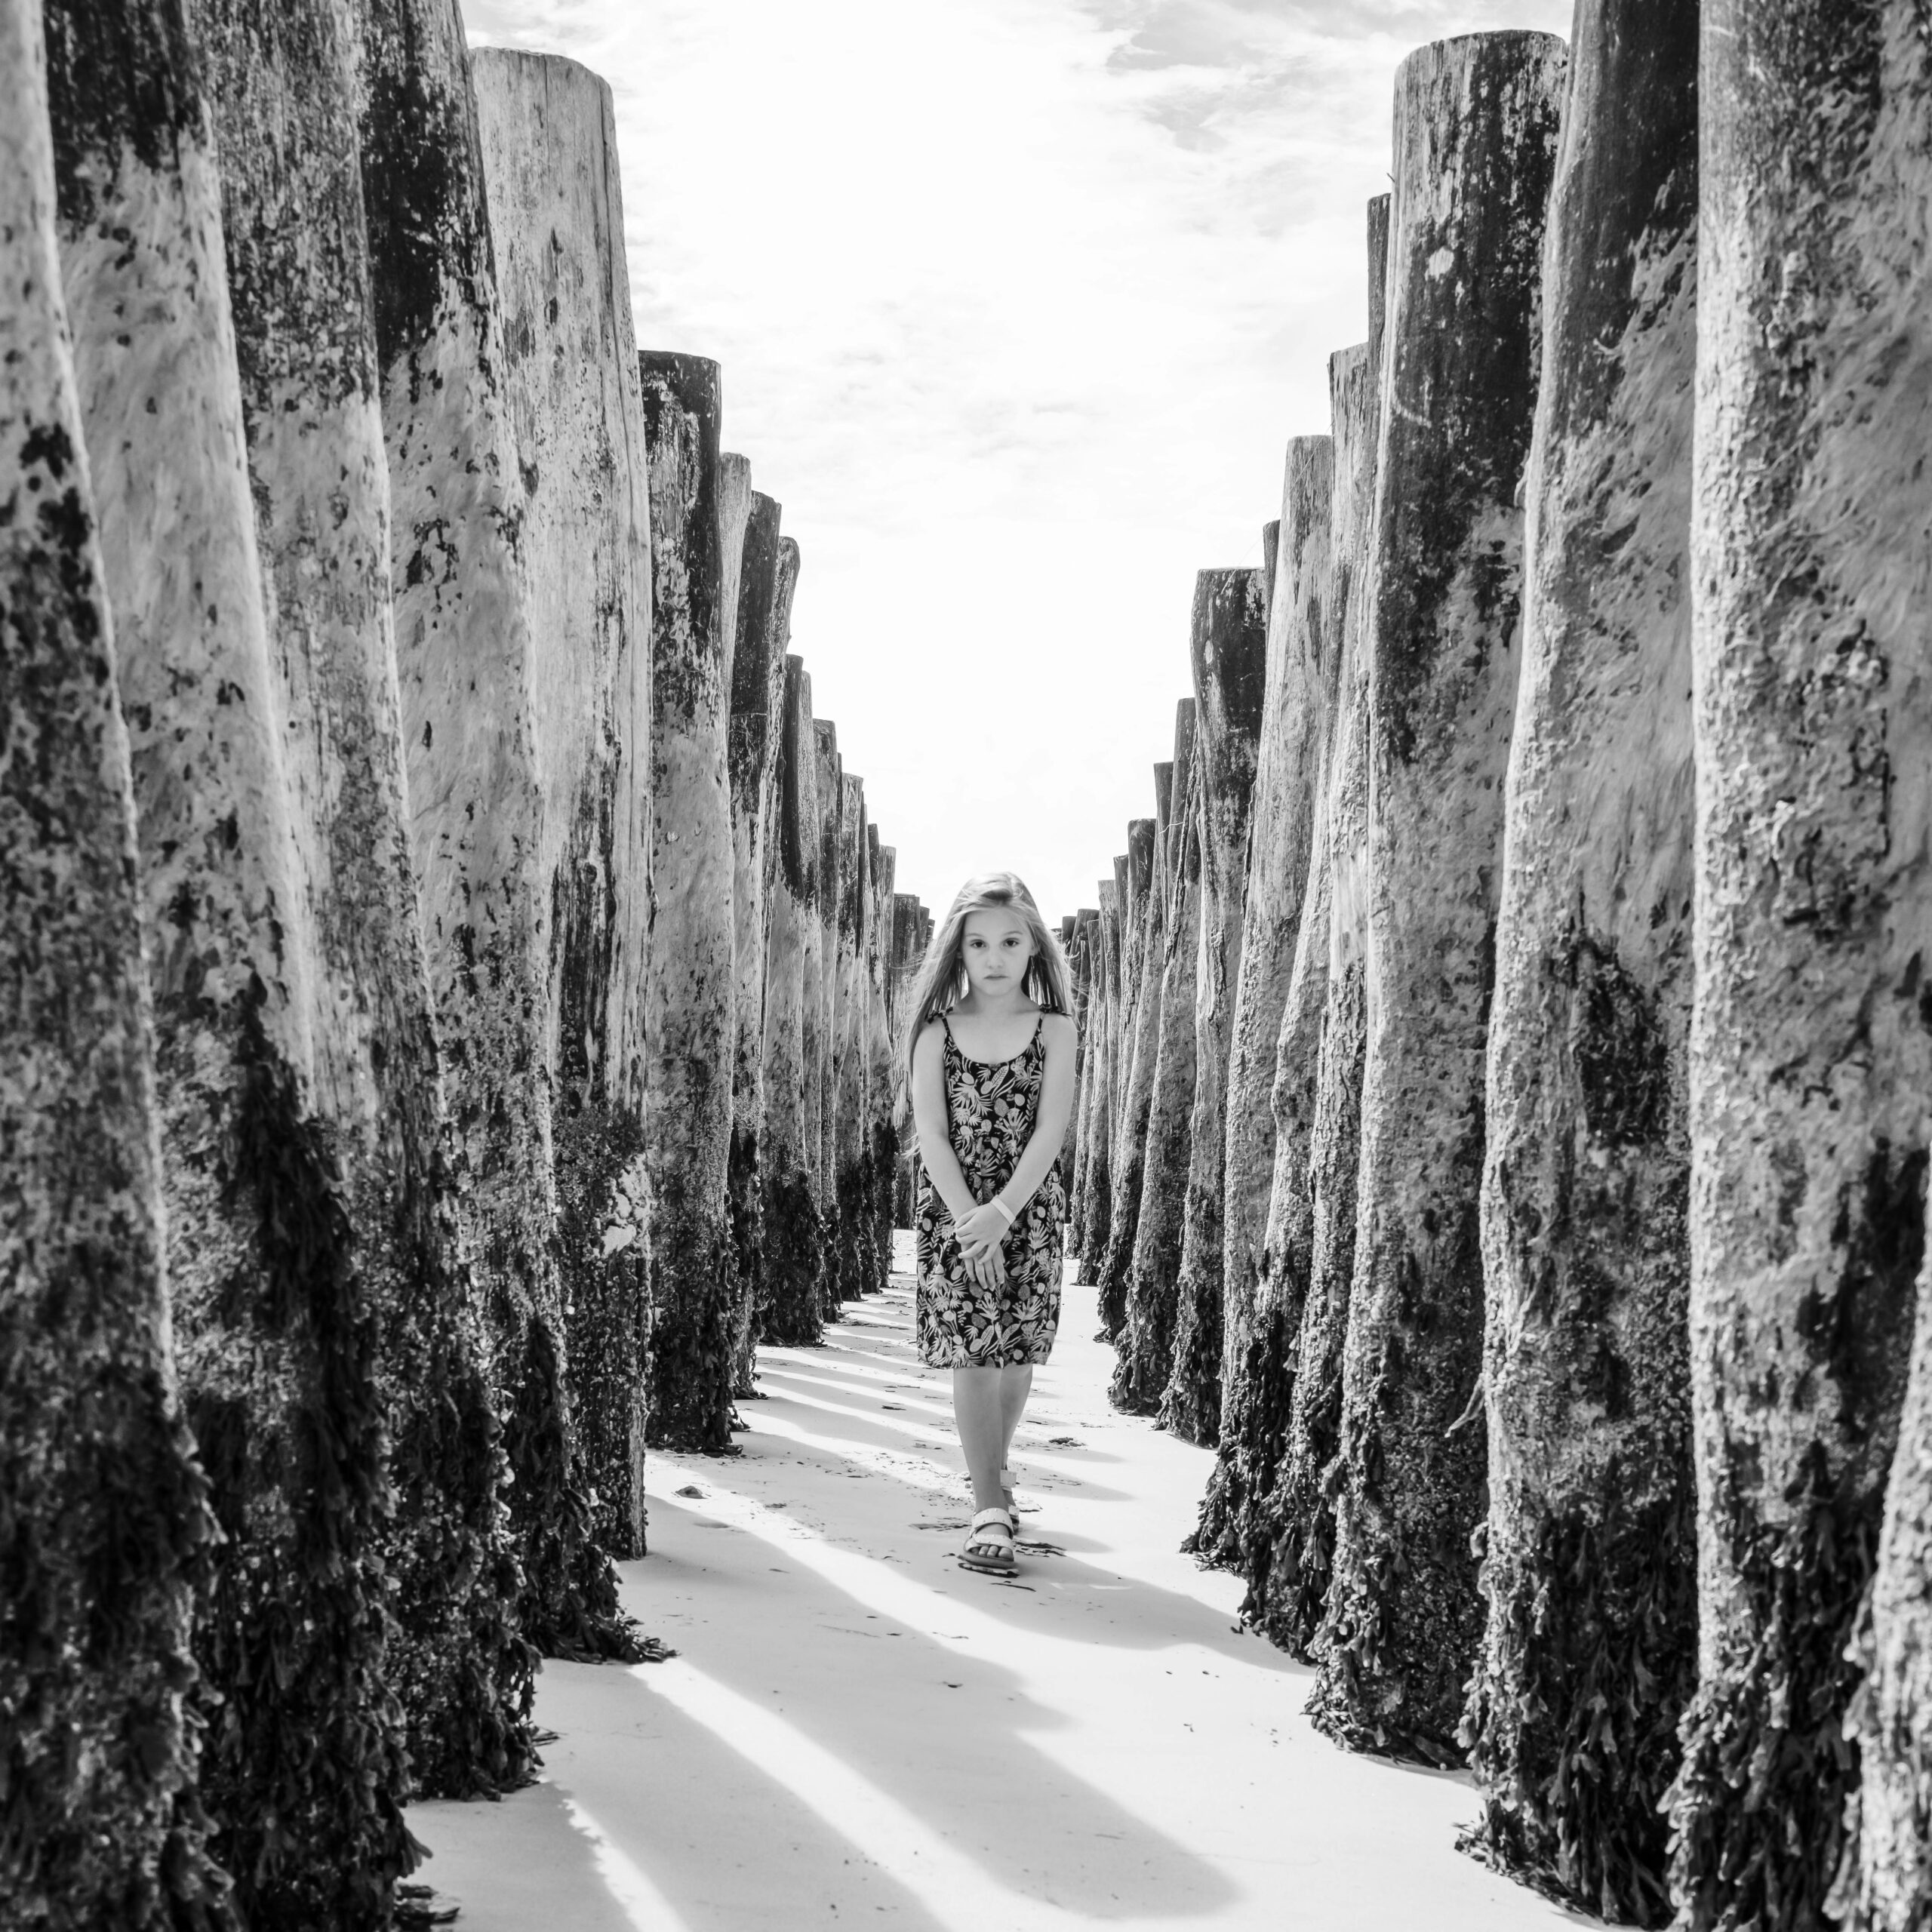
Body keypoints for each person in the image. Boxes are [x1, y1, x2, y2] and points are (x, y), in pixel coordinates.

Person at [903, 872, 1077, 1575]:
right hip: (953, 1210)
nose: (995, 957)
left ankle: (995, 1474)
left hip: (1028, 1207)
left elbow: (1050, 1130)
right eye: (979, 944)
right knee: (974, 1353)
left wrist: (1003, 1214)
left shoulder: (1056, 1029)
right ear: (959, 951)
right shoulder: (935, 1032)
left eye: (1010, 941)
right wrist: (971, 1221)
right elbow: (931, 1133)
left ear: (1034, 945)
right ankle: (988, 1508)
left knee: (1014, 1355)